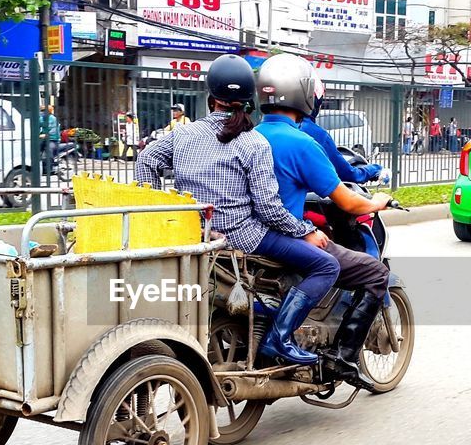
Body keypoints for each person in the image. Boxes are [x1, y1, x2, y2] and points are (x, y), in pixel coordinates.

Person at [135, 54, 338, 365]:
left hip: (195, 234)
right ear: (250, 99)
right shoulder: (253, 143)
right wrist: (306, 231)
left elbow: (145, 161)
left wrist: (161, 209)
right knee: (327, 266)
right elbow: (269, 209)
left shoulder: (183, 134)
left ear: (210, 97)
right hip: (243, 237)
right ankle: (280, 338)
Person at [254, 53, 394, 385]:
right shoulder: (302, 142)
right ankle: (342, 359)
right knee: (375, 273)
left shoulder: (249, 137)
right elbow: (347, 201)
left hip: (249, 234)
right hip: (287, 237)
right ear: (304, 94)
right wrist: (377, 202)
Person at [39, 105, 61, 174]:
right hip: (44, 139)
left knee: (49, 150)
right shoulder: (41, 118)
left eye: (44, 111)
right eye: (41, 111)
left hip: (53, 139)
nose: (42, 112)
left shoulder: (53, 119)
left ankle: (51, 168)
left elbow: (53, 130)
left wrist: (46, 135)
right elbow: (37, 126)